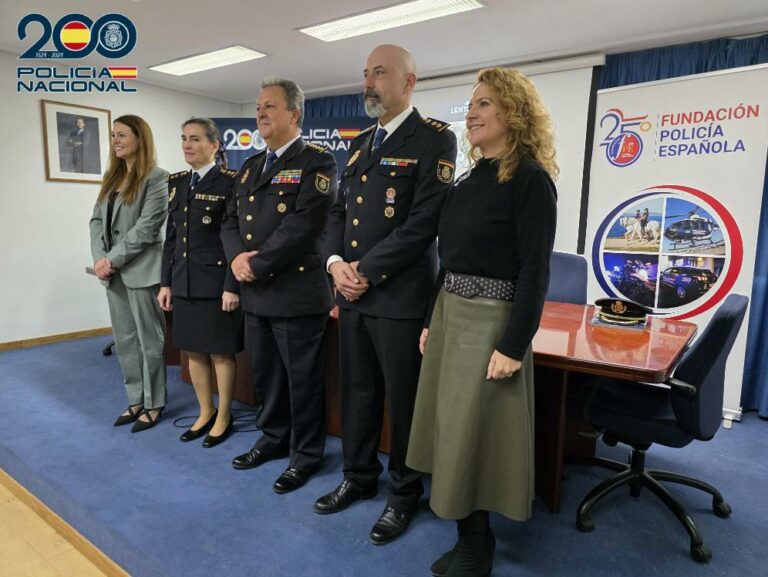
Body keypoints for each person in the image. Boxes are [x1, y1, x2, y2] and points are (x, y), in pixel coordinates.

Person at [406, 67, 558, 577]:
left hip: (493, 323)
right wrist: (432, 317)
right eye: (471, 104)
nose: (471, 113)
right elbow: (448, 259)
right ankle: (468, 538)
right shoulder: (470, 179)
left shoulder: (531, 180)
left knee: (476, 437)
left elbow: (536, 270)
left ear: (513, 113)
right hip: (451, 316)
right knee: (450, 431)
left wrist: (514, 344)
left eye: (484, 104)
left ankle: (477, 545)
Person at [315, 44, 457, 546]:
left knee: (404, 401)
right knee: (356, 392)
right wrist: (335, 266)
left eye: (380, 73)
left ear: (409, 81)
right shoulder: (357, 146)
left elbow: (424, 223)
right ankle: (357, 476)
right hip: (352, 295)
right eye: (365, 74)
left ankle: (404, 492)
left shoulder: (436, 139)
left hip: (398, 296)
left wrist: (366, 271)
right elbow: (337, 215)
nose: (369, 82)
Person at [221, 78, 338, 494]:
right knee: (267, 376)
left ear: (294, 114)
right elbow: (230, 220)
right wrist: (236, 259)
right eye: (258, 108)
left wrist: (258, 265)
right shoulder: (252, 166)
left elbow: (305, 226)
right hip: (257, 295)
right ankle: (272, 438)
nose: (261, 114)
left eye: (270, 106)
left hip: (296, 294)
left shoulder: (317, 162)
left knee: (302, 381)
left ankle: (305, 455)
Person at [158, 118, 243, 447]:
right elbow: (171, 239)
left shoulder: (230, 182)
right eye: (183, 139)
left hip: (217, 283)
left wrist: (231, 285)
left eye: (194, 139)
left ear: (215, 145)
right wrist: (165, 283)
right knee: (193, 351)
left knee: (221, 353)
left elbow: (235, 239)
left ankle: (224, 415)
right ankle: (205, 411)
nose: (187, 145)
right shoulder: (177, 183)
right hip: (185, 282)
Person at [89, 115, 169, 433]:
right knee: (124, 340)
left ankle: (155, 403)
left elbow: (147, 228)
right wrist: (100, 259)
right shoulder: (111, 178)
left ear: (140, 138)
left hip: (142, 270)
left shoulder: (157, 178)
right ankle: (136, 399)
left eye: (122, 135)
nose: (116, 141)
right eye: (113, 135)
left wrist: (113, 259)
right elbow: (96, 222)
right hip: (113, 273)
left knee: (150, 341)